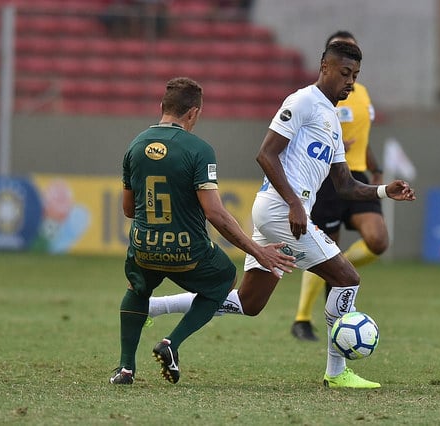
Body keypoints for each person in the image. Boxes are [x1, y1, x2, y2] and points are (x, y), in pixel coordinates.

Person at [148, 42, 415, 388]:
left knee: (249, 302)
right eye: (345, 73)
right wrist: (293, 203)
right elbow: (266, 155)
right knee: (347, 278)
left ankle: (153, 310)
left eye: (356, 76)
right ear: (325, 67)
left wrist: (382, 191)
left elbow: (345, 185)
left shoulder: (332, 120)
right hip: (281, 211)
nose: (350, 82)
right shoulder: (302, 101)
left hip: (280, 214)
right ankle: (336, 373)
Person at [110, 77, 296, 385]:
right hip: (186, 251)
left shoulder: (135, 145)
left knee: (137, 289)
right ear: (194, 113)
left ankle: (125, 369)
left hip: (144, 248)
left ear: (162, 107)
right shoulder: (199, 150)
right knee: (224, 277)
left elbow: (129, 210)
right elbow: (215, 213)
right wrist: (257, 250)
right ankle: (172, 343)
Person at [291, 30, 388, 342]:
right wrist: (331, 144)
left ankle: (340, 266)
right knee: (321, 252)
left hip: (357, 175)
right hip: (329, 179)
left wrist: (375, 167)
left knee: (378, 239)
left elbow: (364, 137)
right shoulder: (316, 98)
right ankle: (302, 318)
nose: (351, 72)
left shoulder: (362, 93)